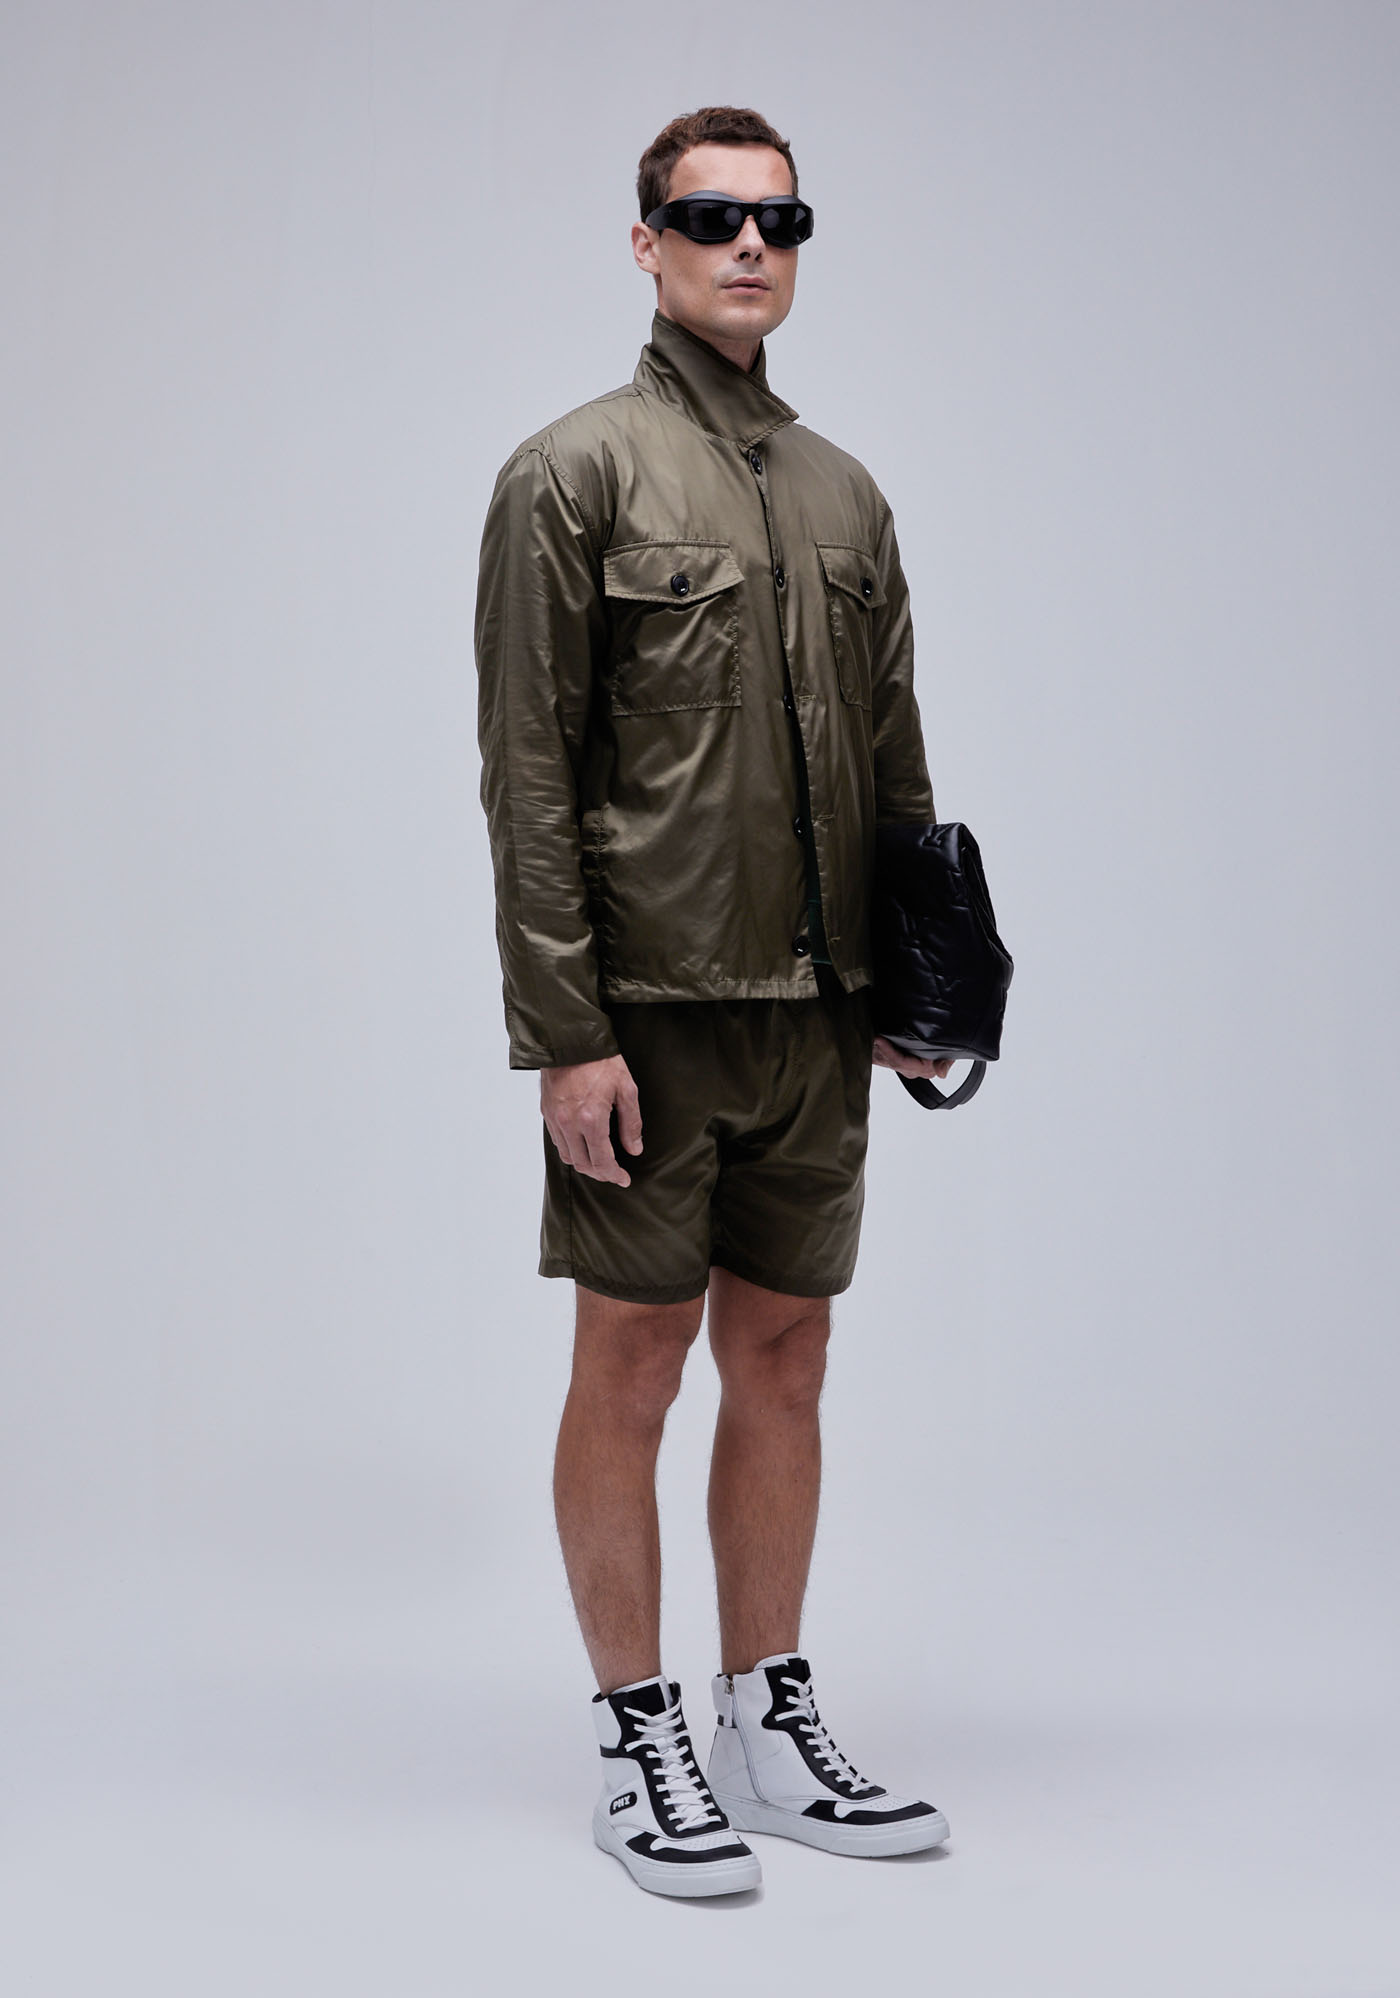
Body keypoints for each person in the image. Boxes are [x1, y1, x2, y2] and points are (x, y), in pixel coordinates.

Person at [475, 105, 952, 1899]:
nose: (750, 245)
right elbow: (528, 778)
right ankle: (637, 1733)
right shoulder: (569, 474)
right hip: (650, 1016)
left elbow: (898, 764)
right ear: (648, 243)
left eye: (779, 220)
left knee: (788, 1354)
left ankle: (768, 1714)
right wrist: (565, 1031)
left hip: (820, 1018)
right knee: (631, 1363)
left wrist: (921, 975)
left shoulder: (847, 495)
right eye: (709, 216)